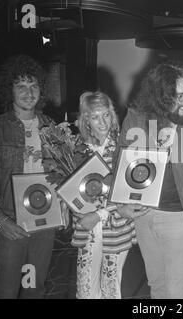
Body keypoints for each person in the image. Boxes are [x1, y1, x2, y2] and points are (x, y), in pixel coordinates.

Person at [115, 61, 183, 299]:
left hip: (178, 217)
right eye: (179, 96)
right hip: (144, 214)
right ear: (160, 95)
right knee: (156, 285)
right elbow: (120, 161)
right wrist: (119, 203)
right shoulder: (137, 117)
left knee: (178, 291)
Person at [0, 54, 57, 298]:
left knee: (34, 290)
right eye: (21, 87)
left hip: (45, 223)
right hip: (10, 222)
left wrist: (65, 206)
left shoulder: (51, 127)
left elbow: (59, 175)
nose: (29, 93)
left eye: (34, 86)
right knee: (5, 292)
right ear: (10, 90)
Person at [71, 91, 136, 299]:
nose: (102, 122)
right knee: (86, 287)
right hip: (87, 225)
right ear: (86, 119)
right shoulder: (75, 148)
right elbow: (70, 190)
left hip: (115, 225)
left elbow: (128, 191)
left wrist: (99, 214)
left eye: (106, 115)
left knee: (111, 286)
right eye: (95, 116)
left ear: (113, 115)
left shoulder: (123, 145)